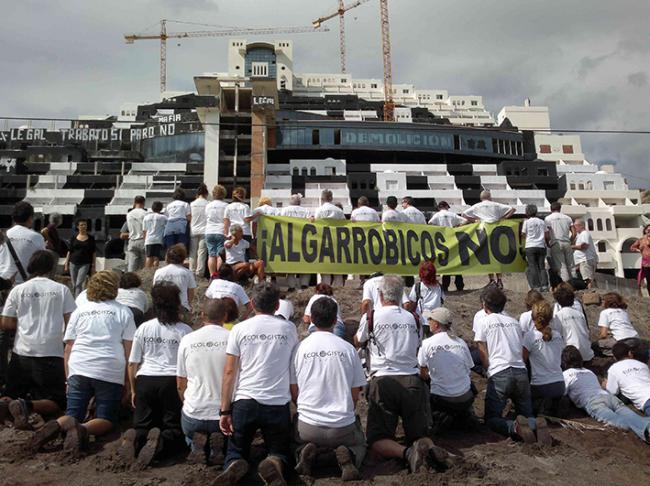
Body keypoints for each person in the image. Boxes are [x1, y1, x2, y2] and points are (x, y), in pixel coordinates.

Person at [29, 271, 136, 455]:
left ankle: (51, 428)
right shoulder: (123, 311)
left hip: (79, 366)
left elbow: (68, 348)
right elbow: (129, 351)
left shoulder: (80, 311)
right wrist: (128, 382)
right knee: (107, 418)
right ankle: (82, 430)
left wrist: (68, 378)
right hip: (108, 369)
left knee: (72, 414)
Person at [355, 275, 442, 474]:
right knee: (419, 434)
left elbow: (358, 341)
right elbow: (418, 342)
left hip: (383, 379)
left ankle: (406, 454)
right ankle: (432, 451)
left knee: (376, 439)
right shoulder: (413, 317)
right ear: (400, 295)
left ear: (380, 294)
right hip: (412, 379)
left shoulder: (371, 316)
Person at [216, 284, 299, 486]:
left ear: (252, 304)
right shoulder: (289, 329)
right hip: (277, 403)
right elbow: (293, 369)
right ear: (278, 305)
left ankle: (235, 464)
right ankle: (274, 463)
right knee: (280, 451)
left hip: (245, 401)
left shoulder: (239, 329)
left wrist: (225, 410)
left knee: (235, 450)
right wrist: (296, 402)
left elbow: (229, 372)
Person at [292, 297, 366, 481]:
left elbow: (294, 390)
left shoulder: (299, 349)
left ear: (312, 319)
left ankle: (305, 453)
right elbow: (355, 394)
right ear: (335, 320)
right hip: (342, 426)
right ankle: (347, 456)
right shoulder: (348, 349)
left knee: (290, 444)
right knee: (361, 446)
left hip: (308, 427)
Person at [119, 282, 192, 470]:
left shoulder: (144, 328)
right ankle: (161, 443)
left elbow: (133, 362)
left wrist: (134, 390)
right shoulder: (184, 331)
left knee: (142, 423)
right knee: (173, 427)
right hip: (171, 380)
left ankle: (136, 438)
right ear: (176, 305)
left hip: (145, 379)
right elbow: (190, 364)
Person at [0, 251, 75, 428]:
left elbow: (6, 323)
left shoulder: (18, 290)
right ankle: (27, 406)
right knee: (57, 401)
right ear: (50, 267)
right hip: (51, 352)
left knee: (12, 392)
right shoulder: (61, 290)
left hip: (22, 352)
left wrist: (26, 323)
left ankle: (5, 406)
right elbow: (71, 323)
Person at [474, 286, 548, 444]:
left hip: (500, 372)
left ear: (485, 304)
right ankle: (535, 424)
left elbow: (481, 348)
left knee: (492, 419)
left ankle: (514, 428)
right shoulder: (514, 322)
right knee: (527, 415)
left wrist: (488, 369)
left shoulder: (484, 321)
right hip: (520, 372)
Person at [177, 299, 230, 465]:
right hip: (223, 416)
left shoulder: (187, 340)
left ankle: (195, 445)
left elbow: (180, 383)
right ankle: (220, 445)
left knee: (188, 434)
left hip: (194, 414)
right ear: (225, 316)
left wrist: (187, 403)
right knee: (233, 439)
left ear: (202, 315)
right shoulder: (232, 338)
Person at [561, 345, 650, 443]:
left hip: (593, 402)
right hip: (608, 397)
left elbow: (562, 392)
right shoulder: (588, 371)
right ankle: (646, 425)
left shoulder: (566, 375)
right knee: (632, 416)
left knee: (618, 422)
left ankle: (646, 430)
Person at [418, 308, 476, 432]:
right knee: (467, 380)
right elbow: (469, 367)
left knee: (420, 384)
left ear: (436, 324)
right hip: (465, 397)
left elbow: (422, 374)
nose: (428, 321)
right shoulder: (460, 342)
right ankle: (465, 413)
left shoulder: (427, 343)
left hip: (441, 398)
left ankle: (430, 420)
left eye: (430, 319)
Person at [462, 191, 515, 289]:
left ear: (481, 198)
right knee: (497, 255)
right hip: (495, 230)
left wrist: (475, 220)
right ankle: (499, 279)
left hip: (483, 231)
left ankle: (491, 280)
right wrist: (503, 218)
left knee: (486, 256)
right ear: (490, 197)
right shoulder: (496, 205)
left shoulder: (477, 206)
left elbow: (463, 214)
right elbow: (512, 209)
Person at [522, 301, 566, 416]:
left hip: (540, 386)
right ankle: (552, 404)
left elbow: (522, 361)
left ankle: (541, 405)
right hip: (560, 384)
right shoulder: (557, 336)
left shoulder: (530, 336)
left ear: (532, 317)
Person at [0, 202, 46, 285]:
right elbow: (42, 263)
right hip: (26, 284)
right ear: (30, 218)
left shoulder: (3, 236)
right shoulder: (36, 237)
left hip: (3, 283)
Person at [428, 201, 466, 291]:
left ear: (439, 207)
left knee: (446, 263)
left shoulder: (437, 215)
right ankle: (459, 284)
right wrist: (458, 227)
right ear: (446, 207)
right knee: (456, 262)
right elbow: (465, 221)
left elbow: (429, 223)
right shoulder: (452, 214)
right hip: (453, 239)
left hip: (442, 241)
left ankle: (445, 285)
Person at [606, 339, 650, 417]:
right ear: (630, 353)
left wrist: (605, 385)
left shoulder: (613, 369)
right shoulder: (642, 365)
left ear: (614, 358)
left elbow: (612, 391)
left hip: (645, 400)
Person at [553, 285, 594, 362]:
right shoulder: (580, 314)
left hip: (572, 355)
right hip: (587, 353)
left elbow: (557, 336)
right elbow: (587, 332)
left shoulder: (558, 316)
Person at [153, 244, 197, 315]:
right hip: (181, 308)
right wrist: (188, 304)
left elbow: (155, 291)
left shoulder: (159, 272)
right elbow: (191, 292)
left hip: (163, 308)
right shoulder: (187, 273)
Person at [315, 189, 346, 288]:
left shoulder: (319, 210)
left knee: (325, 269)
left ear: (322, 198)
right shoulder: (339, 211)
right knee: (338, 269)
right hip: (337, 242)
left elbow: (315, 226)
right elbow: (345, 226)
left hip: (323, 242)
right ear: (331, 198)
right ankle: (339, 290)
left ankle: (325, 289)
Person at [280, 194, 312, 291]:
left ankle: (292, 286)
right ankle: (304, 284)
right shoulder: (306, 211)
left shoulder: (284, 210)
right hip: (303, 240)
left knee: (290, 264)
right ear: (299, 202)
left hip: (288, 240)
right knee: (305, 263)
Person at [406, 260, 444, 336]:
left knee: (420, 344)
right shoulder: (439, 287)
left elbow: (412, 304)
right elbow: (442, 301)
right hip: (436, 320)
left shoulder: (418, 286)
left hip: (421, 320)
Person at [545, 202, 576, 282]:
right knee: (571, 265)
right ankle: (575, 283)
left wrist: (548, 243)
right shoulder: (568, 218)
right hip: (567, 242)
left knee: (561, 266)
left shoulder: (548, 219)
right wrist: (570, 241)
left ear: (551, 209)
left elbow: (547, 235)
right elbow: (574, 233)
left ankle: (566, 284)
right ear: (560, 208)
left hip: (556, 243)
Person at [64, 219, 96, 297]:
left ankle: (77, 301)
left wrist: (93, 265)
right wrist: (66, 263)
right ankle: (73, 299)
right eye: (81, 225)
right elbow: (69, 251)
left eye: (85, 225)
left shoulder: (91, 238)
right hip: (73, 262)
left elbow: (93, 252)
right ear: (78, 227)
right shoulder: (73, 238)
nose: (84, 226)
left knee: (79, 283)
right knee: (74, 283)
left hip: (85, 263)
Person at [521, 204, 550, 292]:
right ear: (536, 211)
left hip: (530, 246)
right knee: (542, 267)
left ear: (527, 212)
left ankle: (536, 286)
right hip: (541, 246)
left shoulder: (526, 222)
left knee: (532, 266)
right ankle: (545, 285)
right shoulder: (542, 221)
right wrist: (547, 243)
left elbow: (523, 233)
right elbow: (547, 234)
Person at [205, 184, 229, 278]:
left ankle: (212, 275)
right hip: (220, 231)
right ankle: (219, 275)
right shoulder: (226, 206)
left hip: (209, 231)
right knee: (220, 255)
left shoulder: (208, 205)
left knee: (211, 255)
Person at [189, 183, 209, 279]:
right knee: (202, 252)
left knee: (192, 252)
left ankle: (191, 271)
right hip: (204, 230)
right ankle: (200, 272)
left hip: (193, 229)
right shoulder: (208, 204)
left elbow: (189, 217)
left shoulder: (192, 204)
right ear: (206, 194)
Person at [572, 218, 598, 289]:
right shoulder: (581, 235)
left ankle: (591, 292)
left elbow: (585, 246)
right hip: (583, 260)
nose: (574, 228)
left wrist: (572, 247)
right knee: (586, 278)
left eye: (575, 226)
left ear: (581, 226)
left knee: (588, 279)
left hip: (585, 260)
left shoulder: (584, 234)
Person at [125, 196, 147, 272]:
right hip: (143, 240)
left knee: (131, 267)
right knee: (144, 268)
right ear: (143, 203)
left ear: (134, 202)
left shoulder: (129, 214)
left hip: (132, 240)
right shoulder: (145, 214)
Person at [143, 201, 167, 268]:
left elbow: (144, 230)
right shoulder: (164, 218)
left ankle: (147, 271)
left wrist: (145, 240)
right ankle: (154, 271)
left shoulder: (146, 217)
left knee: (148, 256)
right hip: (158, 239)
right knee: (156, 257)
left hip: (149, 239)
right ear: (161, 208)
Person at [631, 224, 650, 297]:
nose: (649, 231)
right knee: (649, 280)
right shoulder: (641, 240)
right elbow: (632, 247)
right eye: (648, 230)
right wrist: (639, 250)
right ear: (645, 231)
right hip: (646, 262)